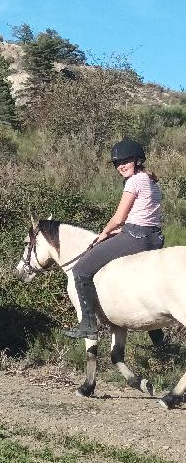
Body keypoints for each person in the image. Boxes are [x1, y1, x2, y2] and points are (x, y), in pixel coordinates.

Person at [64, 139, 164, 338]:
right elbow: (142, 216)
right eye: (118, 163)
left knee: (80, 270)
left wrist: (104, 233)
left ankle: (88, 325)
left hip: (136, 237)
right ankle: (156, 331)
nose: (121, 166)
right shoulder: (149, 179)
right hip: (154, 237)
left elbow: (119, 218)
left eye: (125, 161)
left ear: (137, 160)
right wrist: (115, 232)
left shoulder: (134, 181)